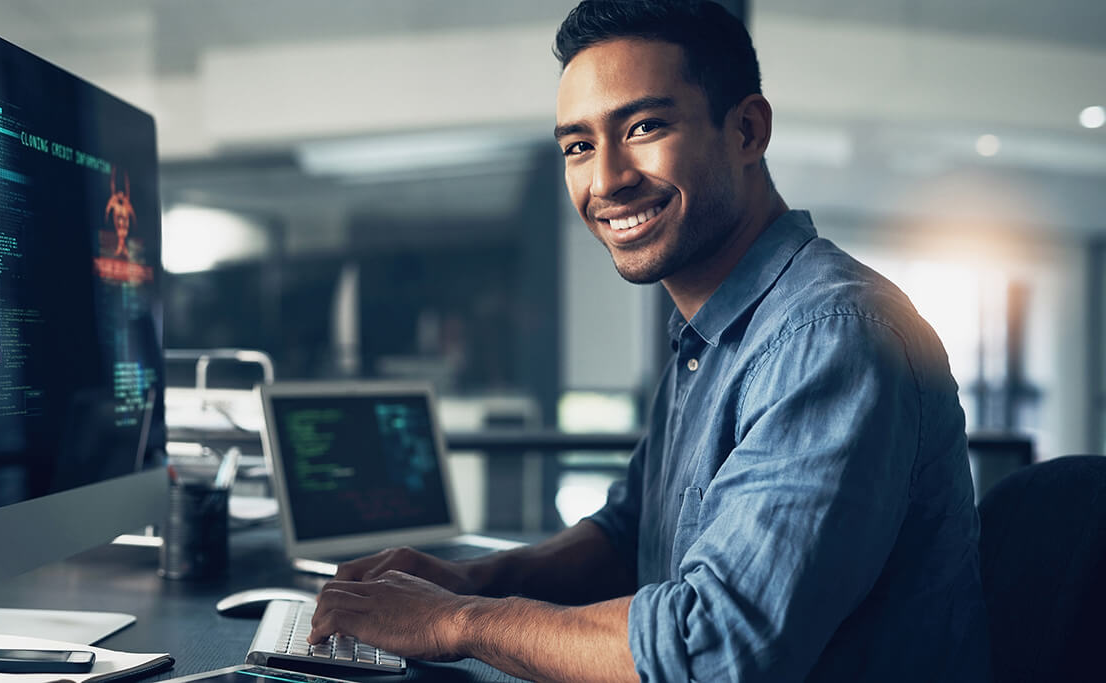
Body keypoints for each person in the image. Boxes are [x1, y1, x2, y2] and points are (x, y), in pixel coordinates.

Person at [308, 1, 991, 681]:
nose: (606, 179)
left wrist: (451, 621)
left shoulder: (832, 337)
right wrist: (466, 578)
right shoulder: (715, 332)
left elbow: (714, 647)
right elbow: (631, 533)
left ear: (748, 131)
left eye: (643, 126)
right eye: (579, 145)